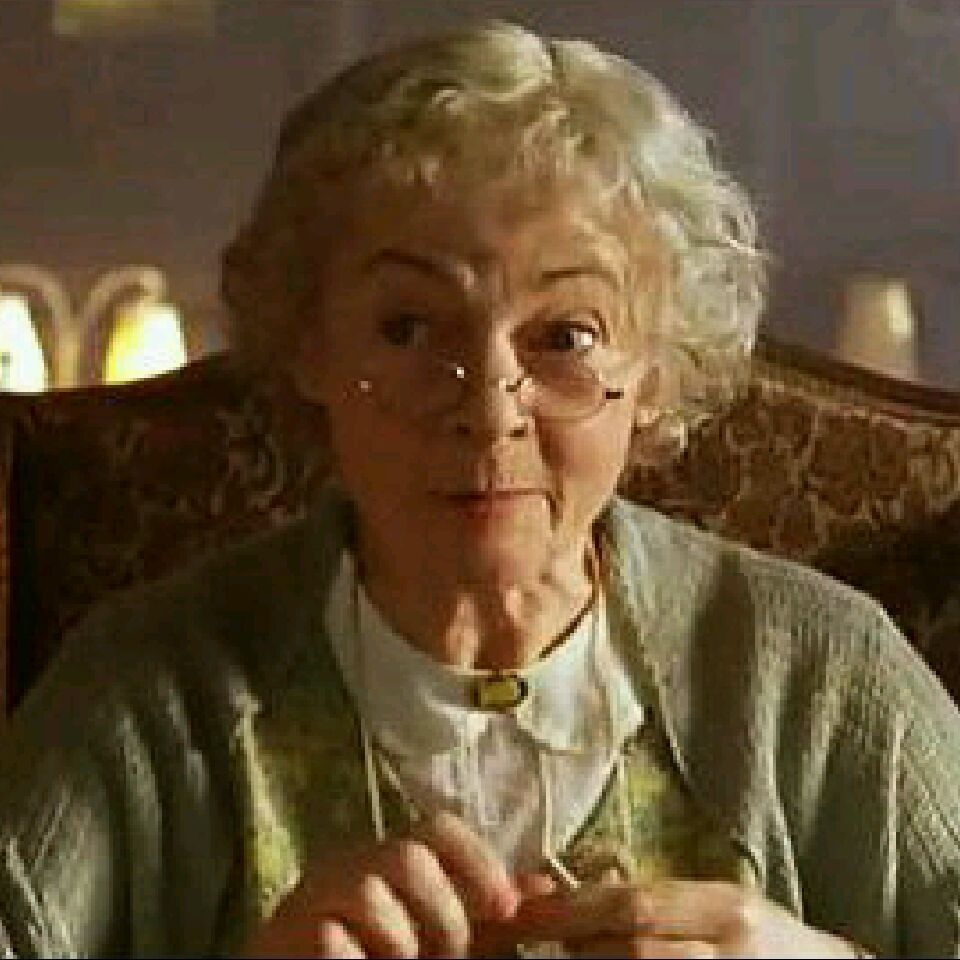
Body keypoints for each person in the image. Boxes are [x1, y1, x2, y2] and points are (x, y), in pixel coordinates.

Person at [1, 20, 958, 959]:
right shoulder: (147, 693)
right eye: (410, 329)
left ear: (657, 369)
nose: (489, 410)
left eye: (566, 336)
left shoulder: (822, 676)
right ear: (310, 345)